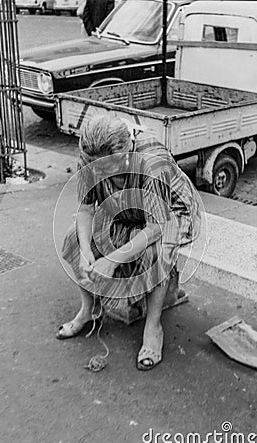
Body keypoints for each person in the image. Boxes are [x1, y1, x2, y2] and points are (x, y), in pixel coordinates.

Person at [57, 115, 201, 371]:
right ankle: (89, 309)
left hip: (168, 215)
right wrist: (86, 251)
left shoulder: (152, 161)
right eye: (94, 167)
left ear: (127, 151)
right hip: (124, 208)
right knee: (73, 238)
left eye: (106, 168)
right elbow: (86, 208)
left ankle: (153, 326)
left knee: (157, 251)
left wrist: (112, 260)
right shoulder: (90, 156)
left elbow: (157, 227)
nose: (98, 174)